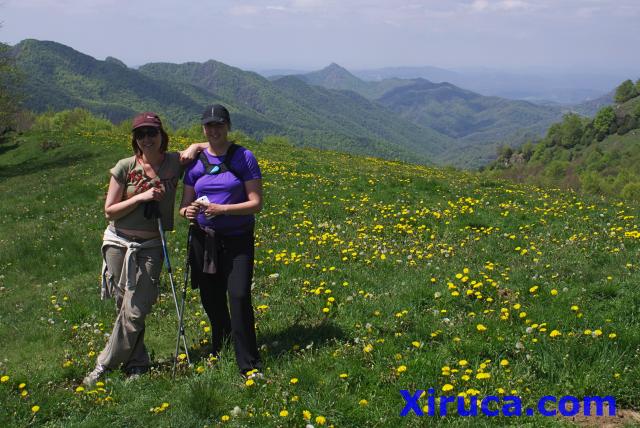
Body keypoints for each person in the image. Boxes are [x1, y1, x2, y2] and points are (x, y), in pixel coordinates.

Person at [83, 112, 207, 386]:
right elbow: (109, 210)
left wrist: (194, 147)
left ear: (162, 135)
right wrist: (141, 196)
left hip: (151, 244)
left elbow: (209, 144)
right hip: (118, 243)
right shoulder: (124, 167)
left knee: (136, 308)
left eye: (152, 133)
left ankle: (103, 364)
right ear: (135, 140)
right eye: (141, 134)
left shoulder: (174, 162)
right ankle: (137, 364)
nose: (147, 139)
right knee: (123, 306)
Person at [180, 104, 263, 377]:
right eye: (209, 126)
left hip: (238, 239)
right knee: (211, 298)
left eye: (219, 125)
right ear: (203, 128)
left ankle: (248, 364)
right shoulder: (195, 163)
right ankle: (222, 345)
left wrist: (222, 210)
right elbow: (184, 205)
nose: (214, 130)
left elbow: (256, 203)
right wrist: (188, 211)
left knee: (238, 296)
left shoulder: (244, 158)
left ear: (228, 126)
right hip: (204, 240)